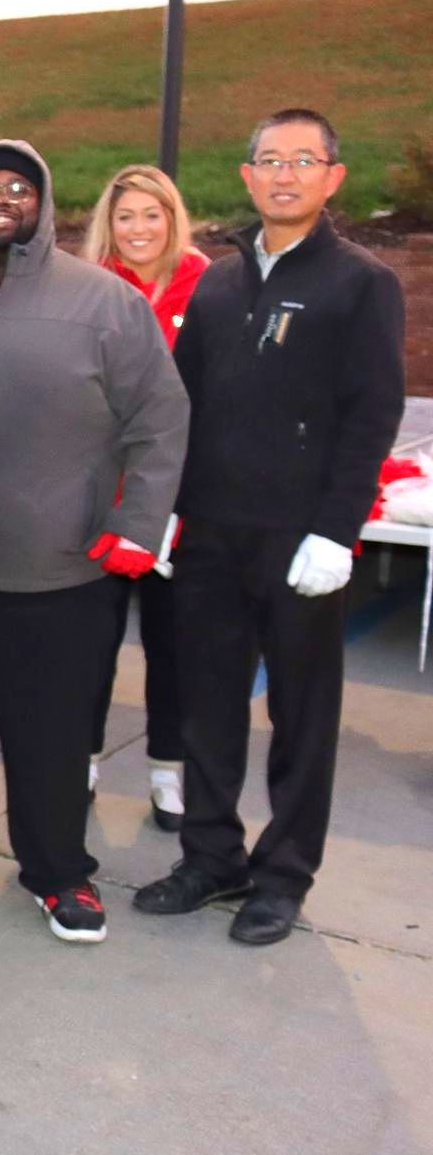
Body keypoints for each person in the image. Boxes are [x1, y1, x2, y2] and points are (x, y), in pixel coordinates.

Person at [134, 109, 405, 946]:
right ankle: (210, 855)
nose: (284, 174)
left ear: (333, 176)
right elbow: (182, 406)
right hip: (212, 534)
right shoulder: (217, 281)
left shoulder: (361, 283)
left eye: (303, 160)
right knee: (209, 706)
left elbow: (372, 415)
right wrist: (168, 510)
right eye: (269, 160)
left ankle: (284, 873)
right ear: (246, 175)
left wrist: (336, 528)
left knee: (301, 713)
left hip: (300, 543)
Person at [0, 139, 188, 945]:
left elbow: (161, 421)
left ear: (42, 200)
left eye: (17, 187)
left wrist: (137, 525)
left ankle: (59, 872)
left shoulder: (105, 302)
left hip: (57, 573)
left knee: (52, 739)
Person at [80, 164, 211, 827]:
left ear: (172, 218)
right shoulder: (89, 290)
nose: (138, 229)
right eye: (126, 215)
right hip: (103, 502)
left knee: (175, 645)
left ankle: (168, 770)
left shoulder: (209, 286)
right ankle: (86, 760)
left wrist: (180, 500)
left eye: (151, 215)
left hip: (182, 504)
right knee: (91, 643)